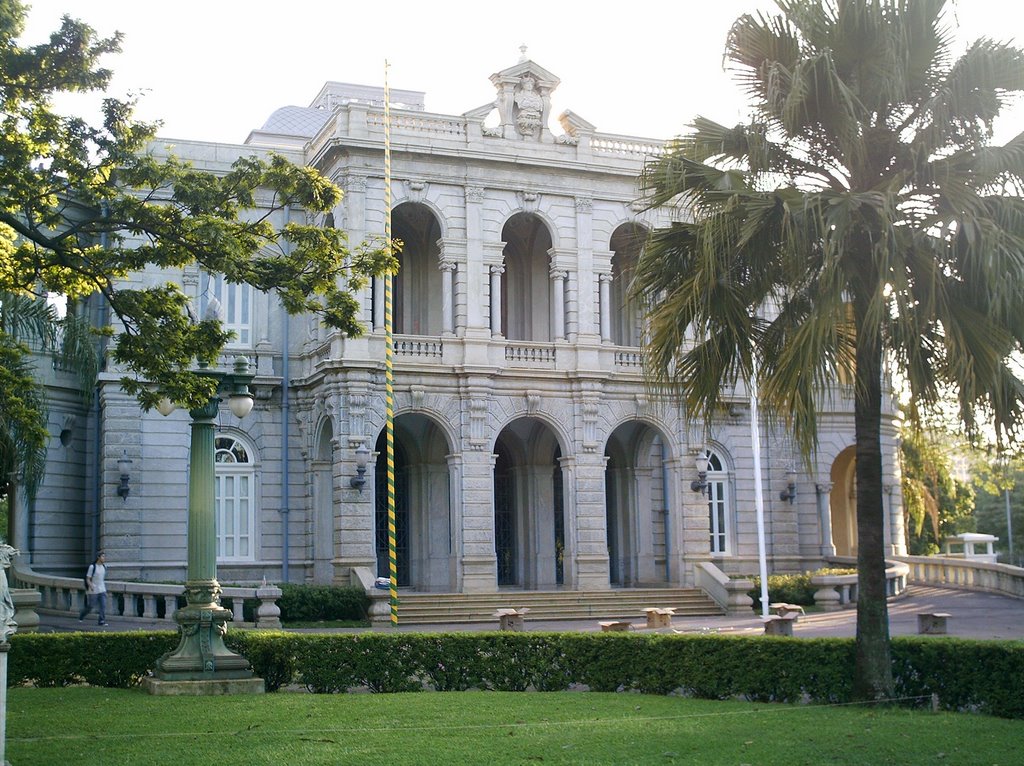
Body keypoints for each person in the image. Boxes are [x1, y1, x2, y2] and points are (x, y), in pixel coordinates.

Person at [79, 551, 108, 626]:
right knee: (91, 606)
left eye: (104, 556)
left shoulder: (104, 566)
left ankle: (101, 620)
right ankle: (82, 615)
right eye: (102, 556)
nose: (104, 558)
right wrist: (91, 586)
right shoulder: (92, 567)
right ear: (98, 557)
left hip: (102, 589)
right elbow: (88, 578)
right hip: (94, 589)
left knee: (103, 605)